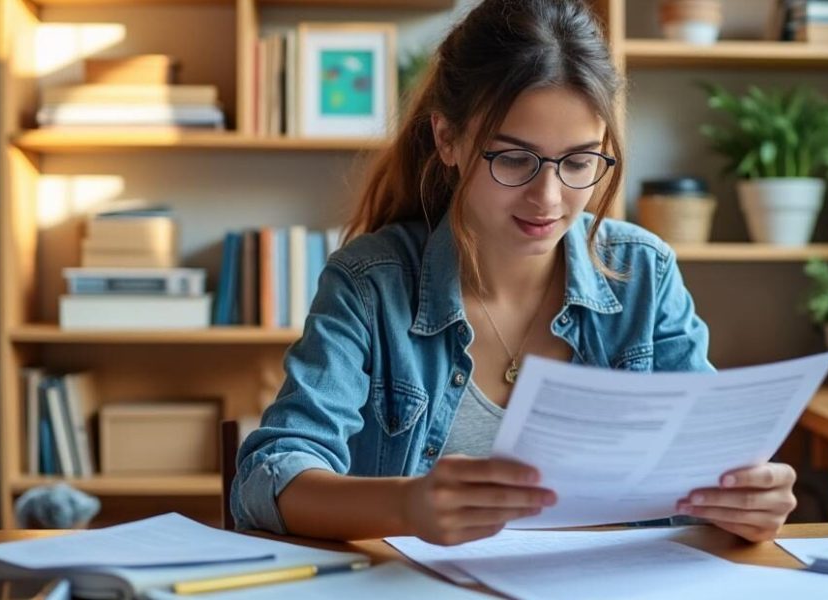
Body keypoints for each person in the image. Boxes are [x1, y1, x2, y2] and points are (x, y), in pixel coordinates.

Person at [230, 0, 797, 546]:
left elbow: (706, 471)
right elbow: (266, 479)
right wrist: (408, 506)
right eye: (514, 159)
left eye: (578, 162)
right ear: (447, 139)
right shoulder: (369, 282)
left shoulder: (643, 273)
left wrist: (748, 503)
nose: (547, 198)